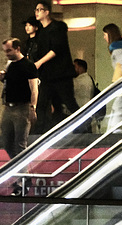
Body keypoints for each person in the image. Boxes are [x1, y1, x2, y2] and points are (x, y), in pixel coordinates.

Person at [0, 38, 38, 196]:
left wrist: (33, 108)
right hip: (9, 107)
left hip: (22, 107)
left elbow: (34, 88)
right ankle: (23, 174)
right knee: (8, 144)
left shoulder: (28, 65)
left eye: (9, 50)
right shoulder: (10, 65)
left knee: (20, 145)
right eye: (5, 51)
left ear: (17, 49)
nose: (7, 54)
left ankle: (22, 180)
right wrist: (3, 78)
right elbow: (10, 84)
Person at [33, 1, 80, 134]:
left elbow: (56, 49)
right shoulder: (41, 32)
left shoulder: (57, 27)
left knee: (68, 102)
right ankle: (42, 132)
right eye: (36, 9)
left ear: (47, 12)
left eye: (40, 9)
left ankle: (83, 126)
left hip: (61, 74)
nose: (37, 12)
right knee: (44, 104)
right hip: (48, 75)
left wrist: (40, 62)